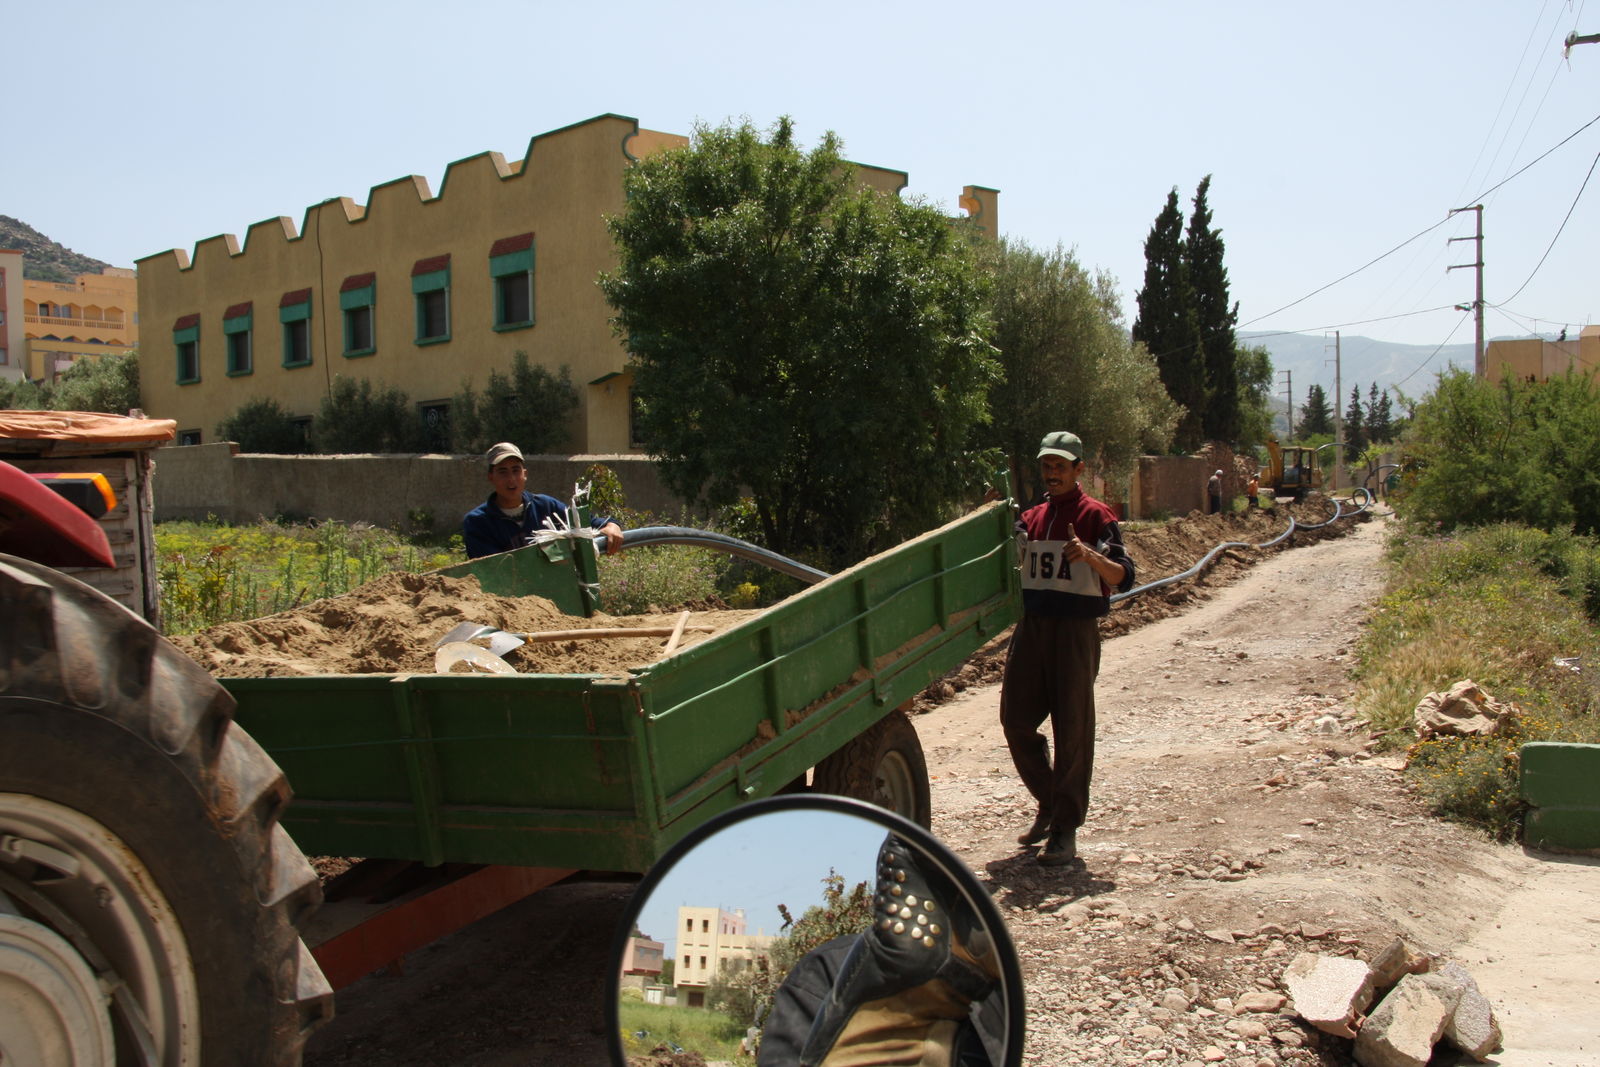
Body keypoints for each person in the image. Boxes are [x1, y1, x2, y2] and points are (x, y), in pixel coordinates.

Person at [1002, 431, 1134, 866]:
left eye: (1061, 466)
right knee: (1015, 721)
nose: (1052, 473)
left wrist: (1091, 557)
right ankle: (1050, 800)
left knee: (1072, 728)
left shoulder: (1097, 516)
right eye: (1047, 465)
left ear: (1079, 469)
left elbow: (1122, 576)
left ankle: (1064, 828)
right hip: (1032, 628)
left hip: (1076, 632)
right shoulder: (1031, 517)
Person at [461, 442, 624, 559]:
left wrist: (612, 526)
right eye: (503, 472)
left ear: (525, 474)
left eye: (516, 470)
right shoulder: (478, 522)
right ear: (491, 477)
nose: (511, 479)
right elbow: (491, 570)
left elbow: (588, 523)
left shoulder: (546, 507)